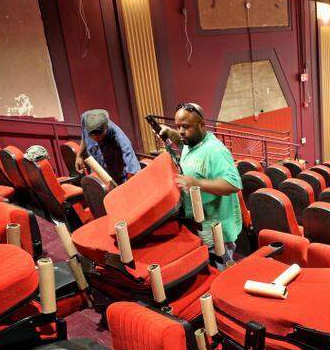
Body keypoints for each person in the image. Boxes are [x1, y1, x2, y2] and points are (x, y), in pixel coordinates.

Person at [155, 102, 242, 267]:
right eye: (178, 126)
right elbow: (181, 143)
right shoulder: (190, 142)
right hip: (200, 226)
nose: (181, 132)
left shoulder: (215, 151)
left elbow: (233, 184)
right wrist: (169, 132)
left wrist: (197, 183)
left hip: (217, 232)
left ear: (202, 125)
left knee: (220, 273)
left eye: (185, 127)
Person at [78, 109, 141, 185]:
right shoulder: (85, 118)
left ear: (106, 129)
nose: (96, 139)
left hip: (116, 176)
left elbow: (132, 165)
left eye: (99, 137)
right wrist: (79, 155)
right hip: (97, 172)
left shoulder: (119, 136)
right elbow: (83, 136)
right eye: (92, 136)